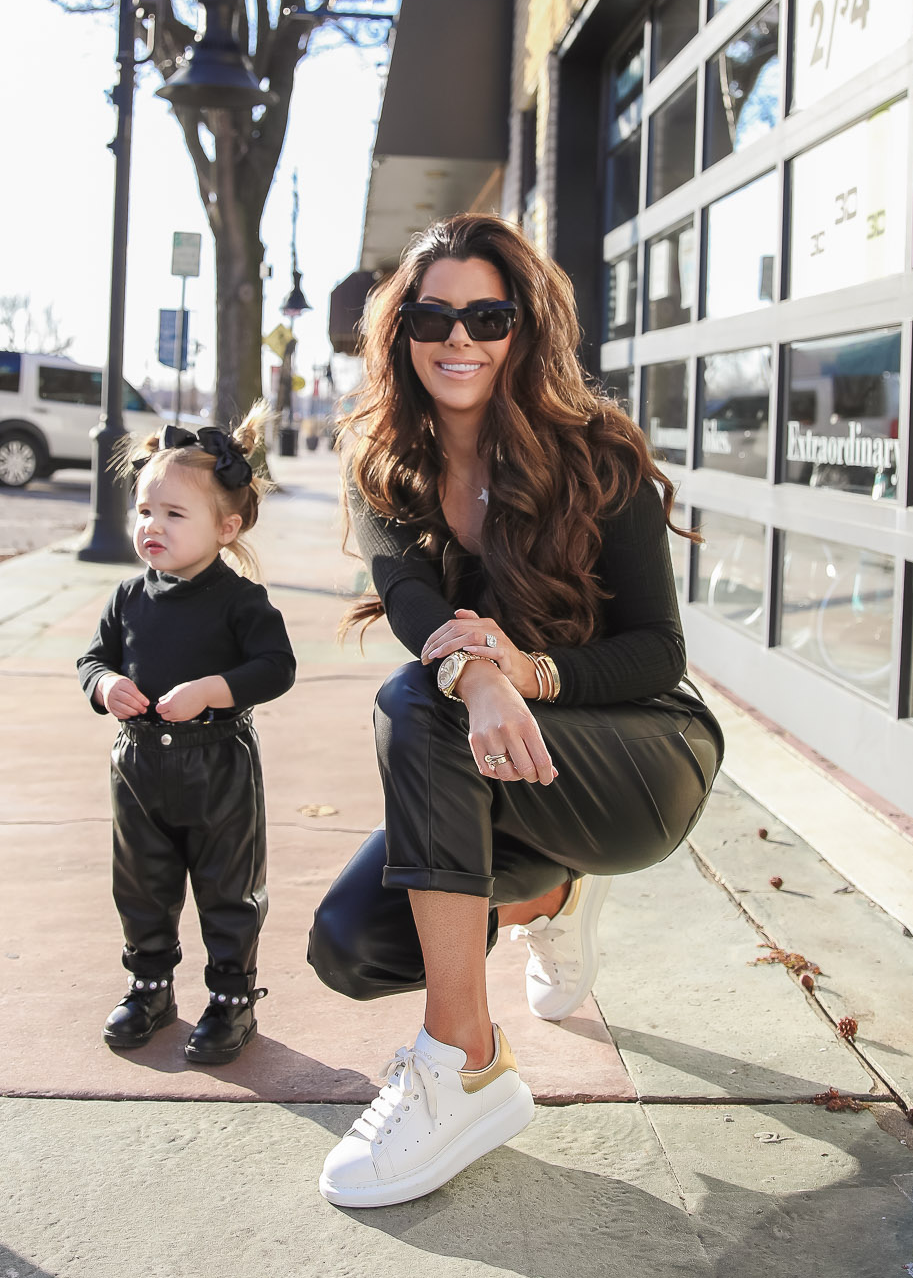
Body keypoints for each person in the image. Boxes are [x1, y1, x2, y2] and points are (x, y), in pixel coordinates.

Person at [309, 214, 722, 1208]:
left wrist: (523, 671)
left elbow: (659, 653)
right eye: (434, 316)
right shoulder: (383, 466)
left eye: (485, 315)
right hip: (499, 748)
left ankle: (465, 1065)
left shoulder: (597, 452)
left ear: (520, 326)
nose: (460, 339)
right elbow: (418, 612)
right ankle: (550, 896)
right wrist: (479, 674)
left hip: (642, 750)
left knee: (419, 702)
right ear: (399, 333)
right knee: (354, 943)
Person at [78, 415, 295, 1066]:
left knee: (228, 887)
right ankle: (149, 988)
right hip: (138, 766)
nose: (153, 526)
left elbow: (274, 668)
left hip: (217, 763)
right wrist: (105, 684)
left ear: (226, 529)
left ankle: (232, 999)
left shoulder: (240, 602)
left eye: (175, 514)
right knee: (141, 882)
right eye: (145, 510)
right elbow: (93, 660)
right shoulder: (126, 598)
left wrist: (211, 690)